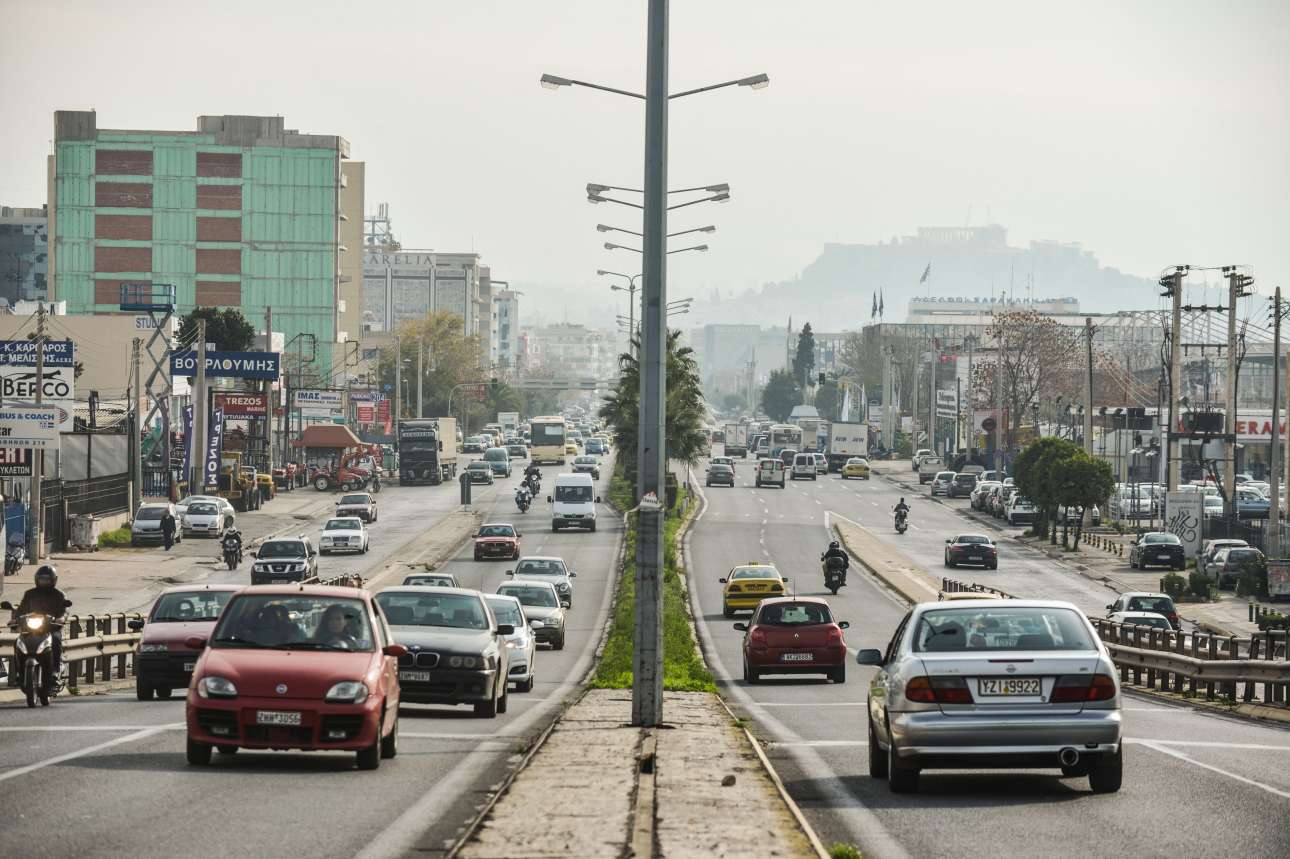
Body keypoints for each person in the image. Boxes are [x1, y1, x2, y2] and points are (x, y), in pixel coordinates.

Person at [8, 565, 68, 687]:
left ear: (53, 580)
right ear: (37, 579)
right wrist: (15, 619)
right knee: (18, 642)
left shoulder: (59, 595)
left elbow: (64, 611)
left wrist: (61, 618)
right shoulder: (29, 594)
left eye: (47, 579)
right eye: (42, 579)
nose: (44, 582)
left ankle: (55, 671)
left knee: (56, 639)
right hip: (31, 628)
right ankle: (19, 673)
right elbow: (21, 609)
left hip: (51, 628)